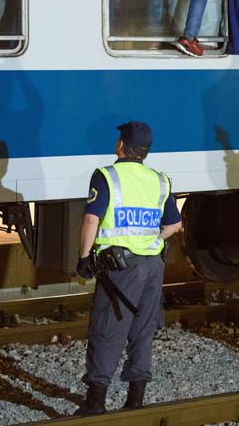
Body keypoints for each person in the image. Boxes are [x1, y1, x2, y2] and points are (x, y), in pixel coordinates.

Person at [75, 121, 183, 415]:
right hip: (152, 265)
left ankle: (95, 402)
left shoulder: (107, 176)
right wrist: (152, 241)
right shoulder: (160, 180)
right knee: (143, 330)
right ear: (145, 151)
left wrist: (84, 258)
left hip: (120, 268)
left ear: (120, 145)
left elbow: (90, 220)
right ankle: (135, 400)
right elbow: (174, 224)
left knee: (108, 330)